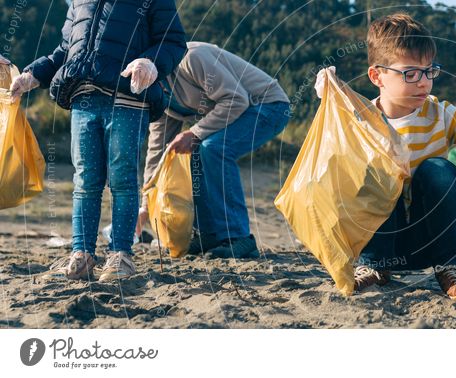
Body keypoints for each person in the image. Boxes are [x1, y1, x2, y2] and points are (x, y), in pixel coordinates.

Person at [315, 13, 456, 300]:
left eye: (429, 71)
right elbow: (329, 169)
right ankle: (373, 268)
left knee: (440, 169)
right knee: (367, 170)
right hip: (382, 246)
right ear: (377, 76)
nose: (424, 82)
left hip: (432, 241)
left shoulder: (440, 113)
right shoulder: (361, 121)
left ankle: (450, 268)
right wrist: (331, 103)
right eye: (410, 73)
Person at [12, 0, 187, 281]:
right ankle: (82, 254)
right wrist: (33, 75)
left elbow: (174, 42)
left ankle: (121, 256)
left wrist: (150, 62)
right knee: (85, 181)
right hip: (83, 100)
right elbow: (66, 50)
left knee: (122, 179)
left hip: (128, 99)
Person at [140, 42, 290, 259]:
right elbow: (157, 151)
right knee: (196, 151)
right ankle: (208, 234)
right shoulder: (156, 97)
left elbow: (236, 99)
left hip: (269, 105)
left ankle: (239, 238)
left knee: (214, 149)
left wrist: (194, 133)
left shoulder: (192, 58)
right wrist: (144, 205)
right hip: (240, 111)